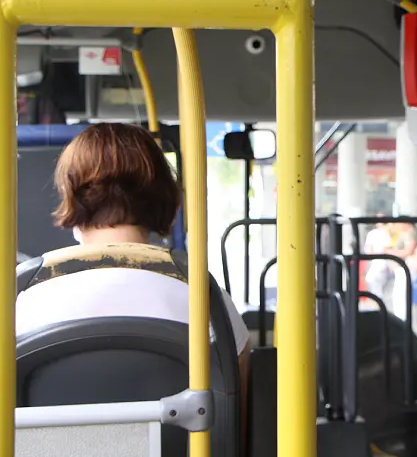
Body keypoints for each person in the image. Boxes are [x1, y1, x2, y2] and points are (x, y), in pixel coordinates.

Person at [15, 123, 251, 423]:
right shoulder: (205, 299)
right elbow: (237, 420)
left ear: (73, 194)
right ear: (166, 198)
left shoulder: (23, 300)